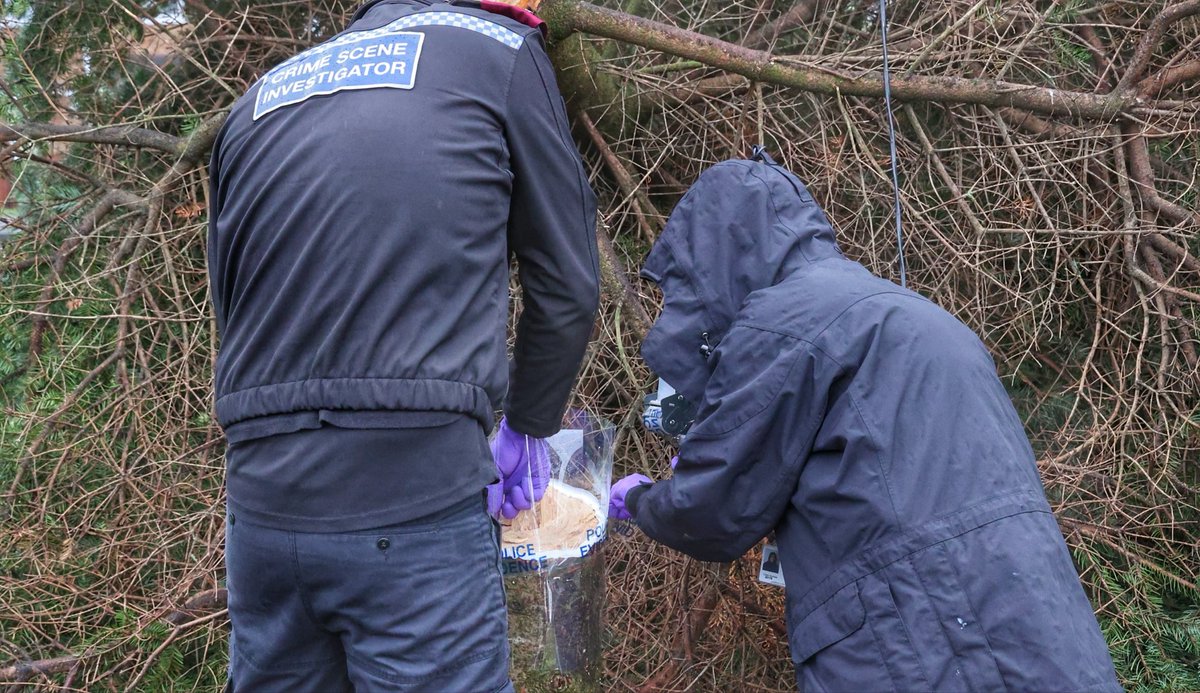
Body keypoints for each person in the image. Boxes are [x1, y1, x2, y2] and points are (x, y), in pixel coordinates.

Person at [610, 151, 1121, 692]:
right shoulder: (917, 312)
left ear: (715, 258)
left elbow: (712, 510)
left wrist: (642, 499)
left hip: (928, 632)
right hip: (1037, 616)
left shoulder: (780, 322)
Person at [206, 0, 599, 688]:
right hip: (414, 500)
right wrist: (527, 425)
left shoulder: (259, 97)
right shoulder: (497, 49)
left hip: (261, 509)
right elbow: (567, 284)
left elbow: (230, 305)